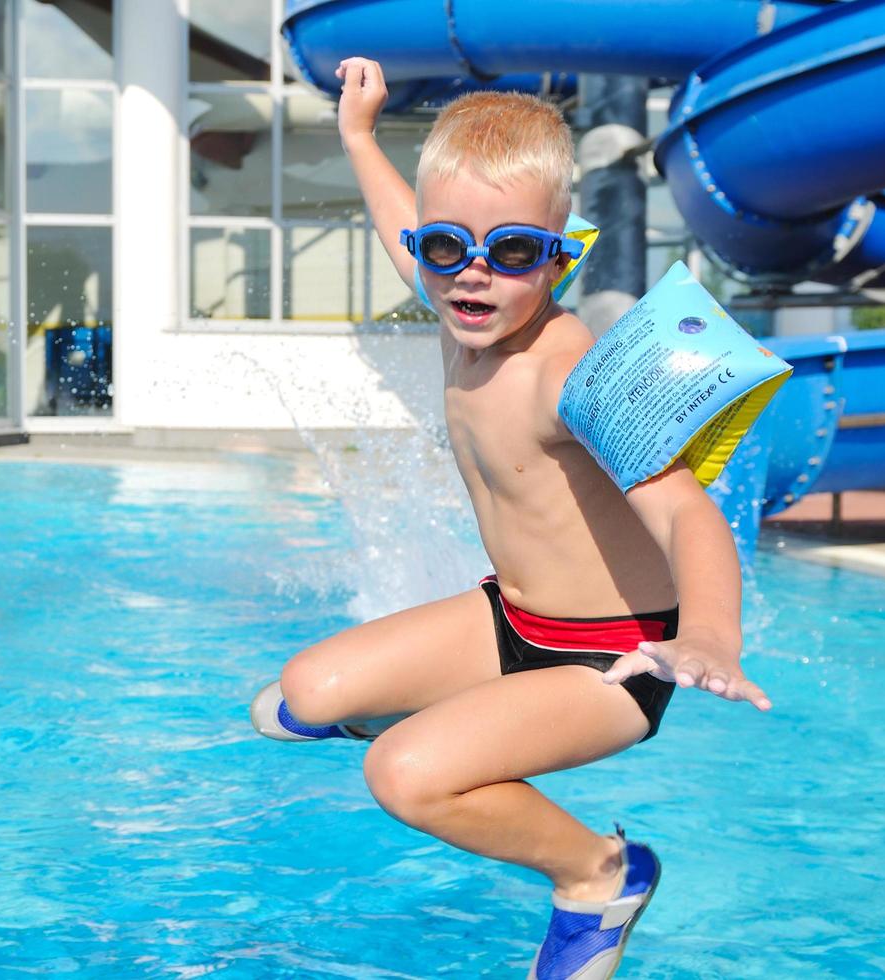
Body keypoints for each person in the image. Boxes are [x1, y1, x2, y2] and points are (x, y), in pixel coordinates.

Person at [250, 58, 773, 980]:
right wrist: (361, 135)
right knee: (297, 698)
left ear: (558, 253)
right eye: (448, 249)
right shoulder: (459, 304)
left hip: (612, 661)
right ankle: (441, 715)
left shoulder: (573, 379)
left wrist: (712, 639)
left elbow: (691, 518)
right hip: (513, 620)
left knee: (403, 775)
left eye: (514, 253)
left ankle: (599, 875)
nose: (474, 277)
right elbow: (395, 222)